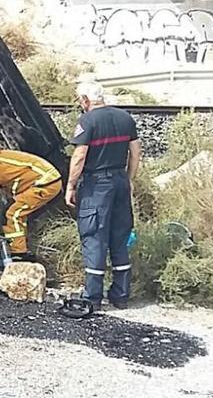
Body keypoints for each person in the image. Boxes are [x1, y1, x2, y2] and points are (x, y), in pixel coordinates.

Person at [65, 81, 141, 310]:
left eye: (80, 100)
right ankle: (121, 294)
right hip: (120, 181)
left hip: (97, 184)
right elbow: (136, 152)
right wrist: (128, 178)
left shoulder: (88, 121)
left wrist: (70, 186)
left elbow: (79, 156)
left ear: (86, 100)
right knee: (119, 236)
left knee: (94, 235)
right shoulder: (125, 118)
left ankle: (92, 296)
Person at [0, 138, 62, 260]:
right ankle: (21, 247)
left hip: (45, 184)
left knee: (12, 213)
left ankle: (18, 254)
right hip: (48, 180)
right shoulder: (1, 156)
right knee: (17, 212)